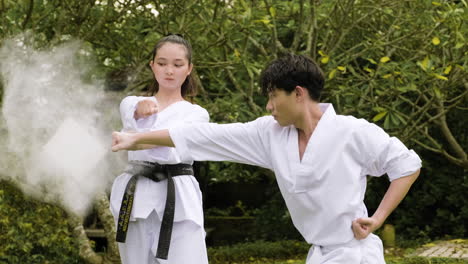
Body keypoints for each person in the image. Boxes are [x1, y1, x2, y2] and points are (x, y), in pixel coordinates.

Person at [111, 54, 421, 263]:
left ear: (297, 93)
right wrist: (136, 138)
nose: (270, 106)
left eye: (274, 96)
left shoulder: (352, 132)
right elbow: (203, 136)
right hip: (318, 254)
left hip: (356, 254)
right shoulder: (270, 135)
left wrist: (378, 218)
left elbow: (407, 165)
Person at [109, 34, 209, 264]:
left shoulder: (197, 114)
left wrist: (135, 140)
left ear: (189, 68)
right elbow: (131, 112)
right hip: (136, 197)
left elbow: (175, 141)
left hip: (179, 197)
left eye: (177, 64)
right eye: (162, 63)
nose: (169, 71)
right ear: (152, 65)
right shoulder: (131, 103)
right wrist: (140, 107)